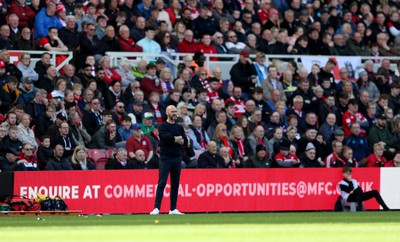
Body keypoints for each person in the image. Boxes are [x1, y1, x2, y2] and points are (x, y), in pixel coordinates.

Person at [150, 105, 188, 215]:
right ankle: (156, 208)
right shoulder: (163, 126)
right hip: (166, 157)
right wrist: (176, 139)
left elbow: (184, 141)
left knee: (175, 184)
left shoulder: (179, 127)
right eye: (172, 111)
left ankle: (173, 208)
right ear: (167, 113)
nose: (174, 113)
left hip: (177, 157)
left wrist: (176, 139)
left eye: (175, 111)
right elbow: (166, 138)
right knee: (162, 183)